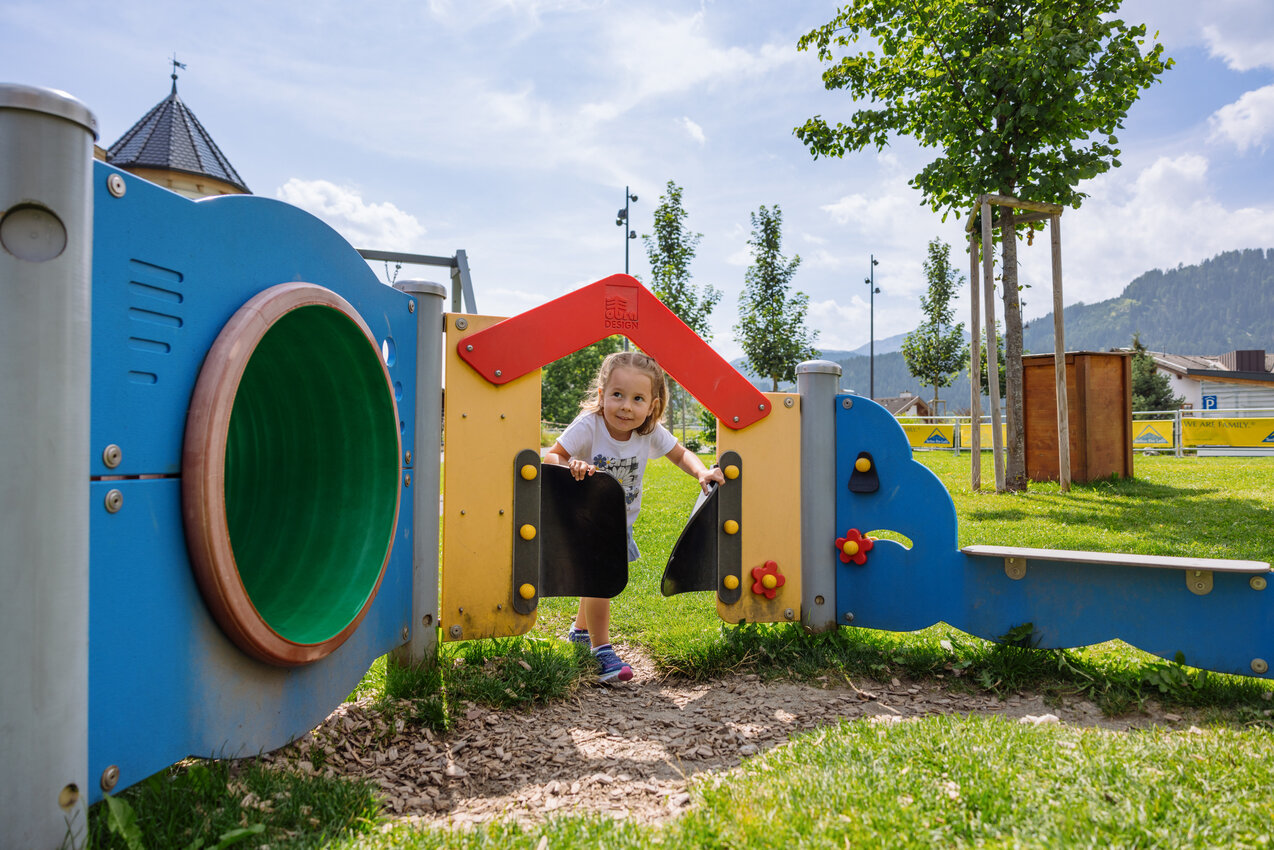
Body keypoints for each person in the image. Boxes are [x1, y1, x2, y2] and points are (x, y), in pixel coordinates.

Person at [543, 351, 724, 682]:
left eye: (637, 399)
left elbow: (680, 454)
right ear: (602, 395)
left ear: (652, 406)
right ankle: (601, 651)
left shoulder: (647, 432)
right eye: (617, 395)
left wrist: (701, 472)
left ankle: (580, 632)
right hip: (585, 522)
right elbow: (551, 456)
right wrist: (571, 464)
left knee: (597, 581)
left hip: (618, 524)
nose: (626, 406)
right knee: (601, 581)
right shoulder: (589, 425)